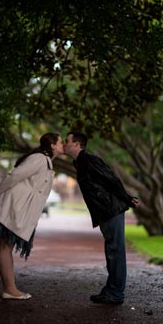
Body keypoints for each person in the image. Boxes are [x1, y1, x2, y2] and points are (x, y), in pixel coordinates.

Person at [64, 131, 139, 305]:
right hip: (106, 211)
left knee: (115, 252)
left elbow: (111, 179)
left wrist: (127, 198)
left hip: (111, 209)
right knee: (112, 251)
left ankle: (115, 293)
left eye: (67, 141)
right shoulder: (80, 163)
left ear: (77, 144)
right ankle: (111, 290)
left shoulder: (89, 161)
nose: (65, 144)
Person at [0, 133, 64, 300]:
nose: (63, 144)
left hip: (17, 210)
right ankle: (9, 289)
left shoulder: (45, 161)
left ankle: (10, 288)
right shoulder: (38, 159)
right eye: (61, 142)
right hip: (12, 208)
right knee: (5, 247)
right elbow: (14, 176)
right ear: (52, 145)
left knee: (6, 248)